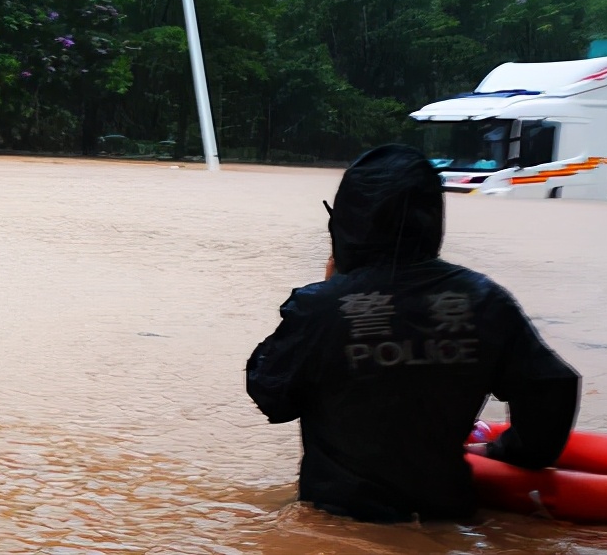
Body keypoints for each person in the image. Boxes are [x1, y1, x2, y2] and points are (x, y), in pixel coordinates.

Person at [245, 143, 581, 522]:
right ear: (433, 218)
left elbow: (271, 396)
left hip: (337, 520)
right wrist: (506, 453)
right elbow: (551, 388)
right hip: (446, 517)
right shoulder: (484, 300)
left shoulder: (318, 307)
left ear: (346, 223)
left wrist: (328, 290)